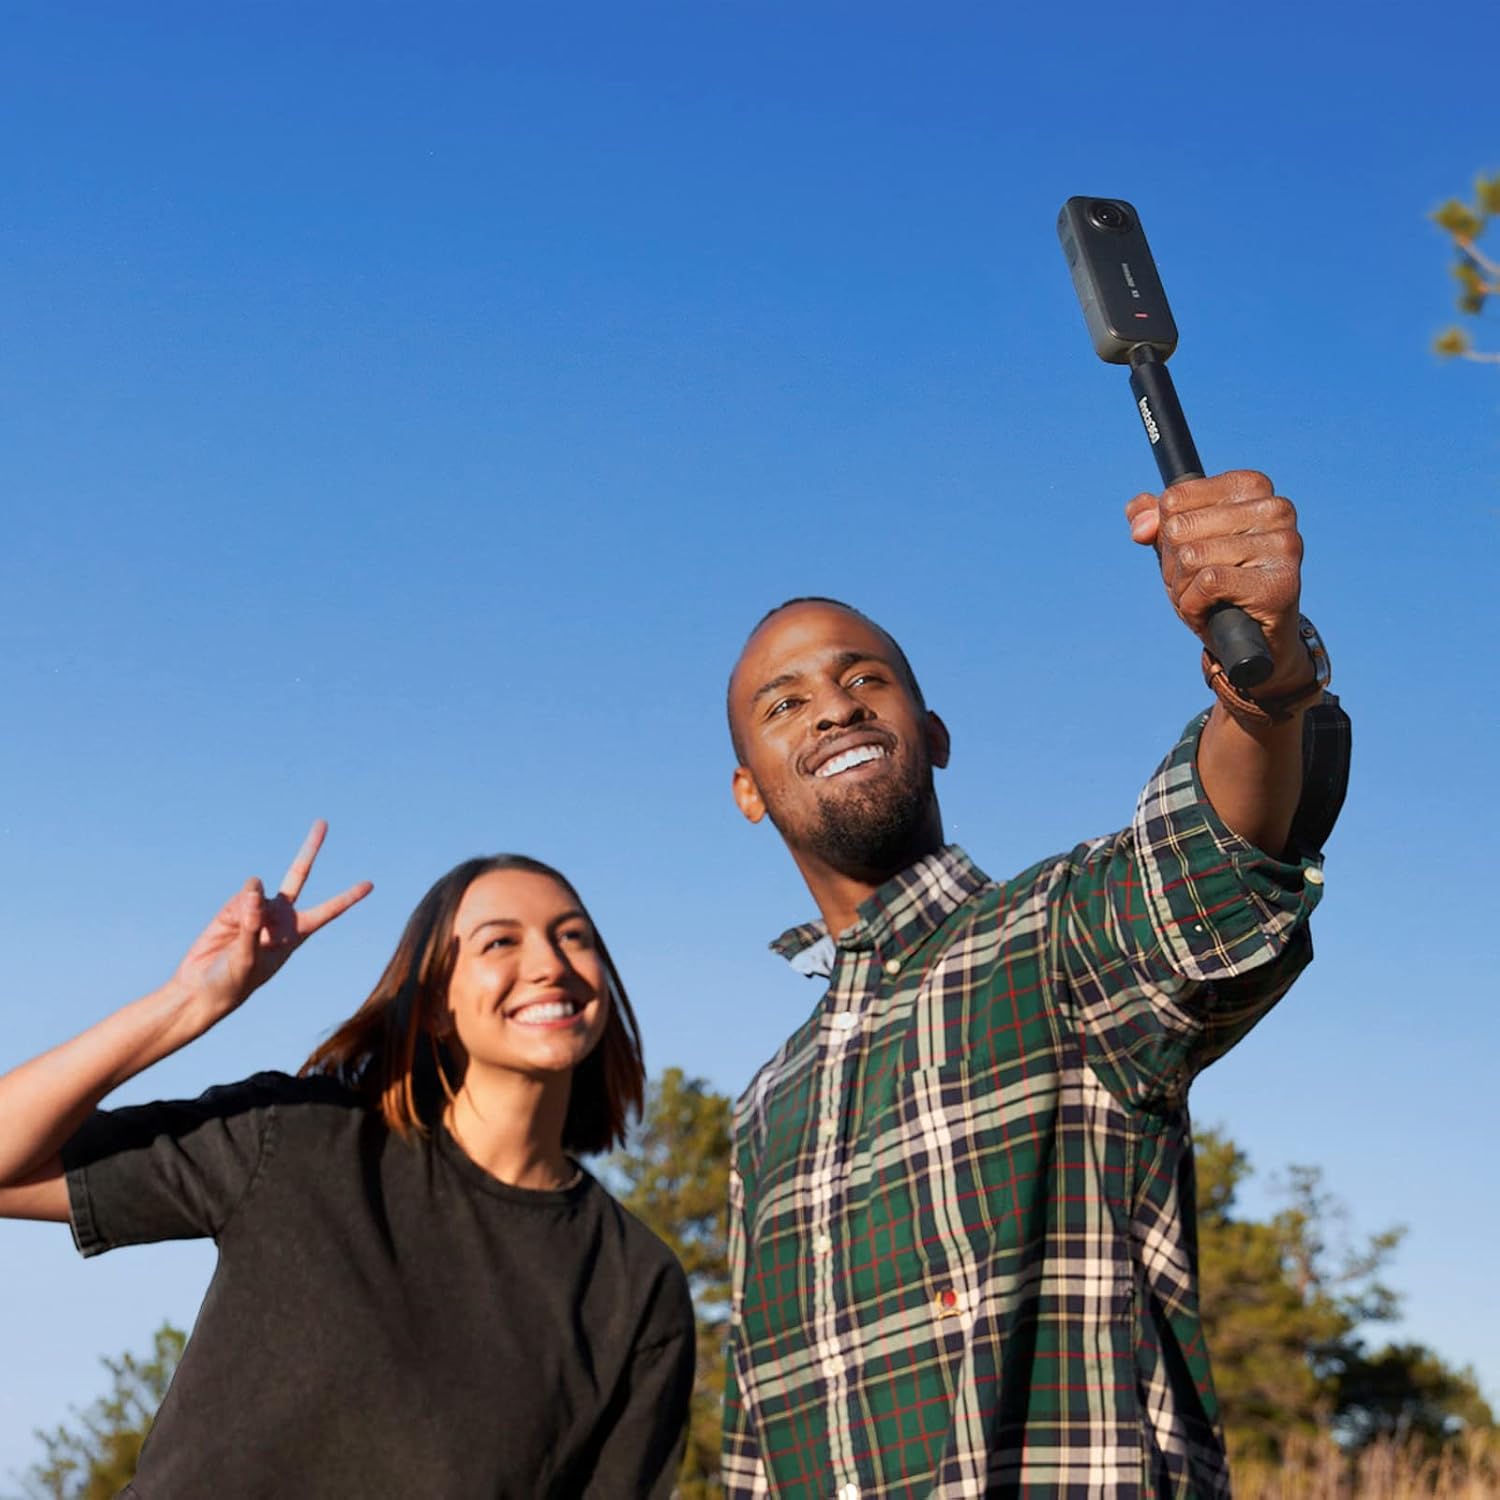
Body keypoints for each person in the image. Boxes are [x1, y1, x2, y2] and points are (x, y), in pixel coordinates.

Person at [720, 470, 1350, 1499]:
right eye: (784, 703)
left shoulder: (1054, 935)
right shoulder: (762, 1114)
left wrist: (1264, 676)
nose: (833, 708)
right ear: (748, 789)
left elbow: (1209, 867)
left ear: (935, 735)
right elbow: (755, 1441)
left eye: (865, 679)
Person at [0, 823, 694, 1498]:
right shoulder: (297, 1138)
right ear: (436, 1004)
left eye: (573, 937)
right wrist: (189, 1001)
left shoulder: (636, 1285)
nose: (549, 965)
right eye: (500, 942)